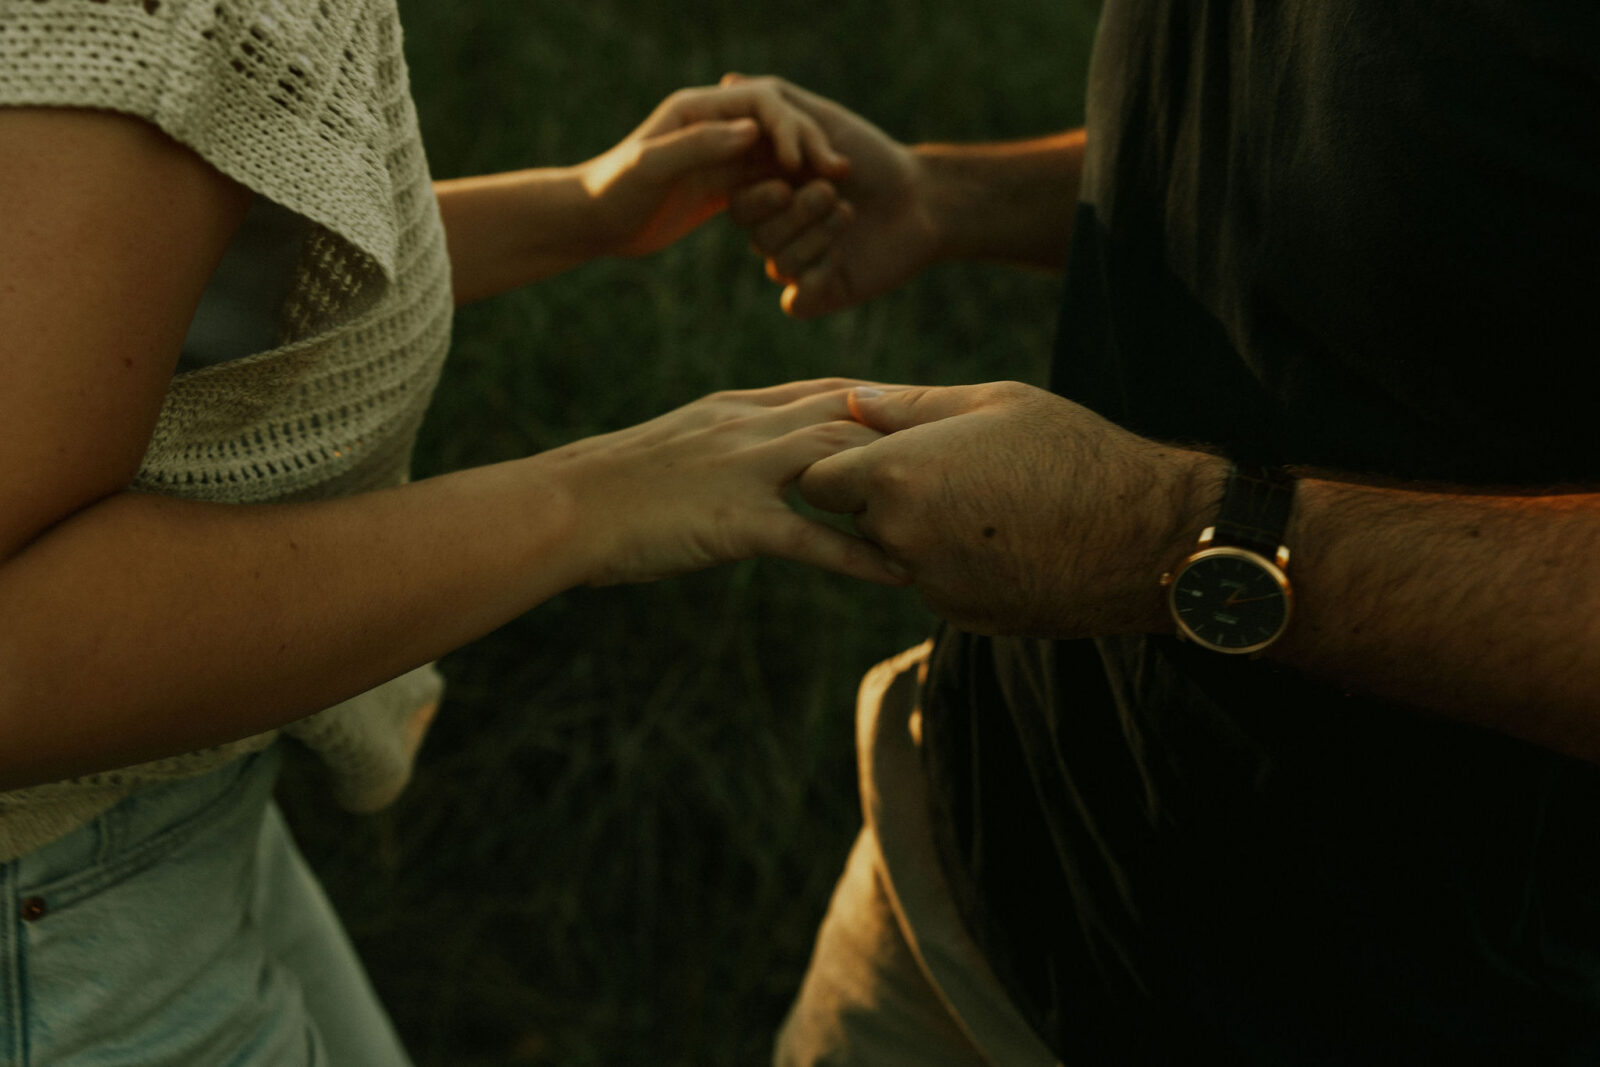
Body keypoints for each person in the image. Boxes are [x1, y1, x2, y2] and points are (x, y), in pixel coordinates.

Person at [0, 1, 904, 1062]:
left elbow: (130, 273)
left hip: (161, 798)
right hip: (60, 896)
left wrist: (584, 208)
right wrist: (597, 496)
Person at [723, 1, 1600, 1062]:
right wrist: (950, 196)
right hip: (965, 873)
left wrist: (1166, 535)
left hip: (1386, 1006)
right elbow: (1391, 136)